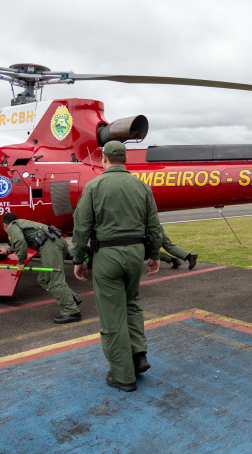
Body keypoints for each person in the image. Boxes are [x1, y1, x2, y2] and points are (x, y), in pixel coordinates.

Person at [72, 141, 163, 392]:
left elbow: (81, 226)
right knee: (131, 302)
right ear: (125, 159)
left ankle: (123, 375)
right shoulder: (142, 186)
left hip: (107, 254)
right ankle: (138, 355)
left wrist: (78, 259)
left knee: (112, 314)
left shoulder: (93, 186)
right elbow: (154, 225)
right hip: (135, 253)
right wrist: (154, 255)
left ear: (104, 159)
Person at [0, 213, 81, 324]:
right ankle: (71, 297)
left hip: (50, 245)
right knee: (43, 279)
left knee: (53, 280)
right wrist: (8, 251)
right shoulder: (22, 223)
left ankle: (71, 311)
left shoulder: (12, 226)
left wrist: (21, 262)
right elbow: (18, 242)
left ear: (5, 225)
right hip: (58, 241)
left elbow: (20, 242)